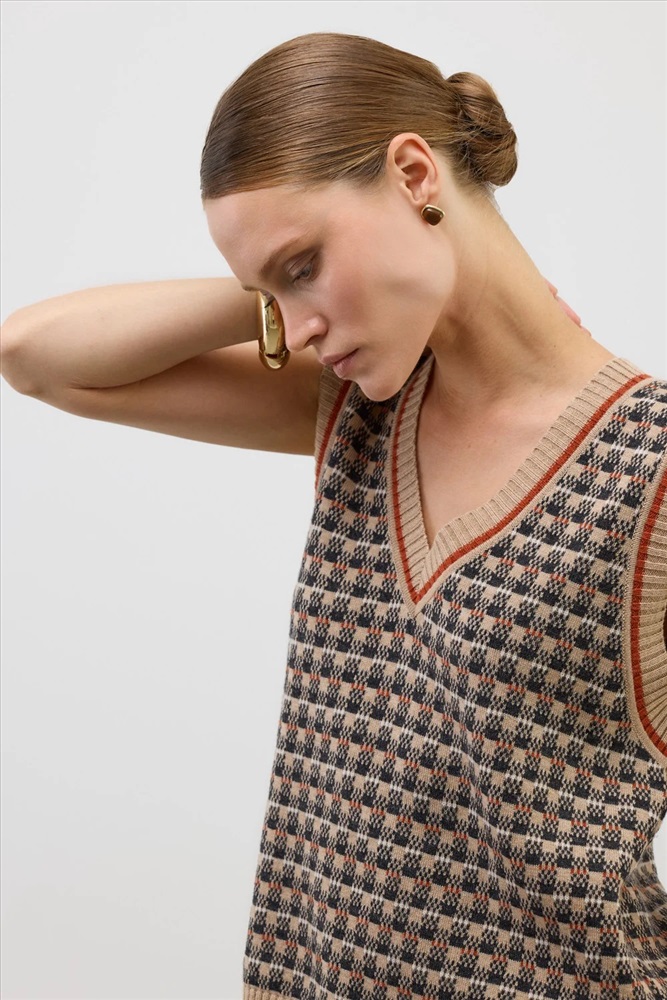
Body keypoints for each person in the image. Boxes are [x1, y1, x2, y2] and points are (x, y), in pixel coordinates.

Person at [2, 29, 666, 1000]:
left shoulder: (647, 466)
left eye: (304, 263)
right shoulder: (360, 409)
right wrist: (268, 291)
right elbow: (36, 357)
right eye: (268, 291)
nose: (297, 326)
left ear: (413, 174)